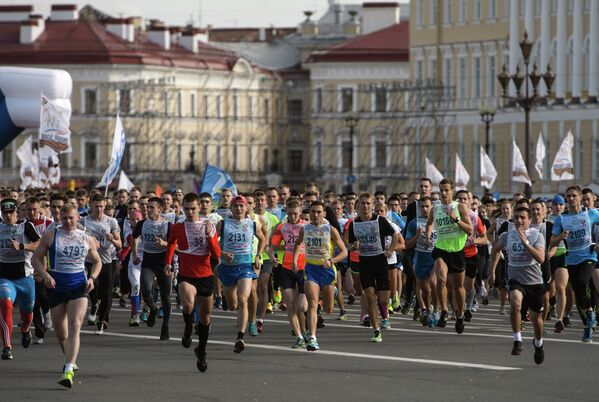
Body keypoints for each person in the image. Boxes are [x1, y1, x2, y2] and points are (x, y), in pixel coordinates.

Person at [31, 203, 102, 388]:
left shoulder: (86, 238)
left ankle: (68, 369)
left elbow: (97, 262)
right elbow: (35, 259)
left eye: (71, 218)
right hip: (56, 286)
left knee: (75, 325)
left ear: (78, 217)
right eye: (64, 218)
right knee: (61, 334)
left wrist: (92, 278)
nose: (68, 221)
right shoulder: (51, 235)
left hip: (78, 285)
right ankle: (69, 358)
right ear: (60, 218)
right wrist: (45, 275)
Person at [166, 193, 220, 371]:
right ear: (182, 208)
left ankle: (201, 351)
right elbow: (171, 243)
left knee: (205, 318)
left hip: (205, 275)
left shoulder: (208, 226)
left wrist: (210, 236)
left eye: (193, 209)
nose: (190, 212)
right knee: (188, 305)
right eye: (186, 209)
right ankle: (188, 326)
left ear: (200, 208)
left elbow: (217, 255)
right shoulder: (177, 226)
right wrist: (168, 262)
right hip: (186, 275)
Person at [490, 207, 546, 364]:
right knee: (515, 301)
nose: (519, 221)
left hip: (534, 282)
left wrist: (525, 242)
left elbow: (541, 258)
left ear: (529, 220)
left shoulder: (537, 235)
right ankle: (517, 340)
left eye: (522, 217)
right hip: (516, 280)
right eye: (516, 218)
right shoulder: (507, 236)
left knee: (537, 320)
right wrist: (492, 271)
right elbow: (495, 249)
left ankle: (539, 343)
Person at [346, 194, 401, 341]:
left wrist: (390, 250)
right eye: (362, 203)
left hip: (380, 261)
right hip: (365, 262)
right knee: (370, 296)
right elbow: (350, 245)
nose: (365, 206)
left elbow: (394, 235)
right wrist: (353, 246)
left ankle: (385, 316)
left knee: (383, 299)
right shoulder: (354, 224)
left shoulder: (380, 220)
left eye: (368, 203)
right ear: (358, 206)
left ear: (372, 205)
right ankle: (376, 330)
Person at [294, 200, 347, 351]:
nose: (315, 215)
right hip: (311, 269)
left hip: (328, 271)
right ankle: (313, 338)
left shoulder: (331, 230)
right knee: (312, 304)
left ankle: (333, 291)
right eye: (313, 212)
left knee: (328, 310)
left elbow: (344, 252)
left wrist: (332, 261)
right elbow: (298, 243)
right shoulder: (305, 229)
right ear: (309, 213)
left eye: (319, 212)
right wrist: (296, 259)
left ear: (324, 213)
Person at [216, 195, 265, 353]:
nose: (238, 208)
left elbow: (263, 239)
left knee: (244, 299)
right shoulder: (222, 224)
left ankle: (240, 337)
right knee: (233, 305)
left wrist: (258, 255)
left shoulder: (252, 224)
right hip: (227, 268)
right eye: (235, 206)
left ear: (247, 208)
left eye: (241, 206)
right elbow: (212, 243)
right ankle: (226, 295)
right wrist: (222, 253)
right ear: (230, 208)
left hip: (245, 266)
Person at [550, 186, 599, 342]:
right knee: (578, 294)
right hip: (571, 259)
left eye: (574, 196)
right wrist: (561, 237)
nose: (571, 199)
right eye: (568, 196)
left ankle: (591, 313)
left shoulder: (591, 213)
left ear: (579, 197)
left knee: (582, 280)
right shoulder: (561, 219)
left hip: (589, 255)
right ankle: (588, 325)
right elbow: (552, 240)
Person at [424, 178, 473, 333]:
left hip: (457, 251)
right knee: (442, 279)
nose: (444, 193)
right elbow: (430, 223)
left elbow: (470, 231)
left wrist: (456, 219)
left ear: (452, 191)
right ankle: (444, 310)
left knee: (458, 288)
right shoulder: (435, 208)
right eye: (441, 190)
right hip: (441, 249)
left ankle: (459, 315)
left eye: (446, 190)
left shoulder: (460, 207)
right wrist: (427, 237)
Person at [0, 198, 40, 360]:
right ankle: (7, 347)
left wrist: (22, 246)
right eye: (5, 213)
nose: (9, 216)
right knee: (5, 304)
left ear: (17, 212)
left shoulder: (25, 226)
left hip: (25, 278)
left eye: (11, 212)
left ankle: (25, 329)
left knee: (27, 314)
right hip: (4, 277)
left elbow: (40, 244)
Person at [131, 197, 172, 340]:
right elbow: (133, 237)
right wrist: (135, 254)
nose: (147, 210)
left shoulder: (168, 225)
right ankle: (153, 308)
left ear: (160, 209)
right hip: (148, 262)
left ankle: (165, 326)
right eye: (147, 207)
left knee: (166, 296)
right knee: (146, 289)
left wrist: (164, 243)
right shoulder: (142, 224)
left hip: (164, 263)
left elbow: (176, 246)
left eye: (151, 207)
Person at [81, 194, 122, 334]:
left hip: (106, 260)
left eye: (101, 206)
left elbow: (119, 244)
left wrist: (111, 239)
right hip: (89, 261)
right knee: (93, 286)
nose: (99, 209)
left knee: (107, 292)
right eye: (96, 206)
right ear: (91, 205)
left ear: (105, 206)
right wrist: (90, 242)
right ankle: (94, 304)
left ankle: (102, 320)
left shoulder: (111, 222)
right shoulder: (83, 221)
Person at [270, 198, 308, 348]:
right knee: (290, 305)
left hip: (304, 267)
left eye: (295, 214)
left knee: (301, 307)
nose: (292, 217)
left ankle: (305, 330)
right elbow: (272, 246)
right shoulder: (282, 227)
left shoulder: (306, 227)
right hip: (286, 268)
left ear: (300, 212)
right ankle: (299, 336)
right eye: (290, 213)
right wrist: (272, 257)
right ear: (286, 211)